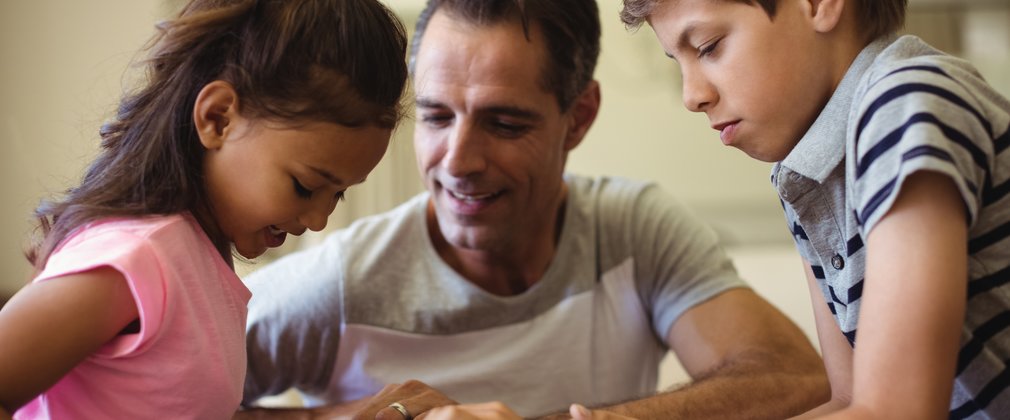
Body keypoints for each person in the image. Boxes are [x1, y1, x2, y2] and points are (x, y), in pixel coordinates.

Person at [241, 0, 828, 419]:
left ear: (578, 117)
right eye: (437, 116)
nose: (458, 161)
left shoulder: (634, 230)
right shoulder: (339, 283)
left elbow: (794, 375)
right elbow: (154, 399)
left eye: (504, 122)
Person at [0, 0, 407, 418]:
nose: (318, 221)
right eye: (305, 186)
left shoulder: (196, 260)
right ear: (217, 119)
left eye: (338, 194)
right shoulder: (136, 258)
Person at [619, 0, 1010, 418]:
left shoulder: (905, 106)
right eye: (676, 61)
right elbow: (847, 399)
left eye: (708, 46)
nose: (691, 95)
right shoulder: (807, 172)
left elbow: (895, 411)